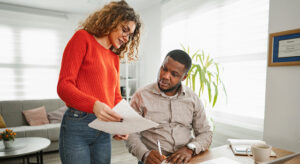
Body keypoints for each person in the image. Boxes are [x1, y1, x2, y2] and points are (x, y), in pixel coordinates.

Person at [57, 1, 141, 164]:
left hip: (103, 129)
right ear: (112, 20)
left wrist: (121, 125)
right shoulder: (82, 38)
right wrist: (94, 104)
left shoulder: (114, 57)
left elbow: (115, 97)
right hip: (77, 126)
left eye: (130, 35)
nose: (126, 37)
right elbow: (64, 86)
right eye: (125, 30)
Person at [126, 49, 213, 164]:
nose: (165, 76)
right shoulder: (141, 96)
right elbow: (129, 133)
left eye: (174, 74)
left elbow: (206, 133)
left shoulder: (192, 98)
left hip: (186, 159)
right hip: (153, 160)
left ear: (184, 77)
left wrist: (190, 149)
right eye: (164, 69)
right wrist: (145, 154)